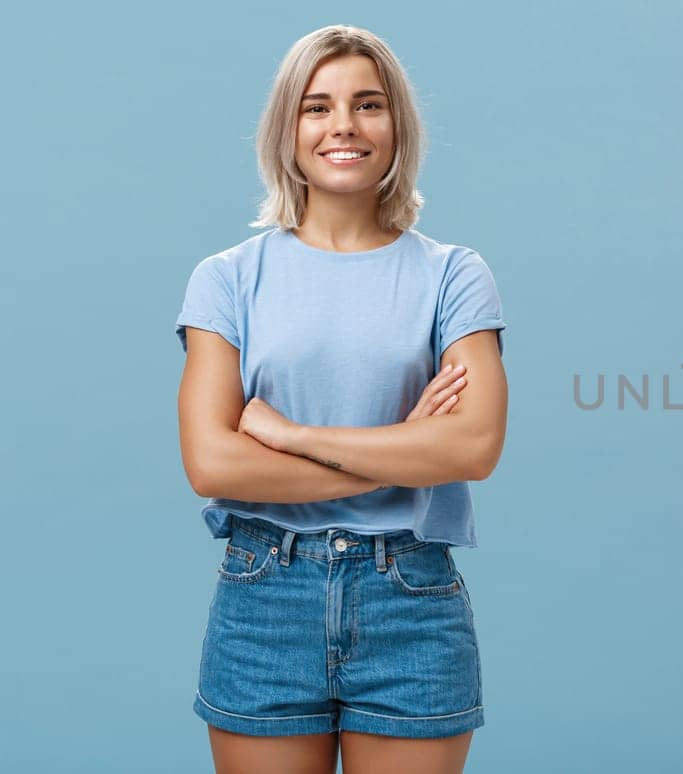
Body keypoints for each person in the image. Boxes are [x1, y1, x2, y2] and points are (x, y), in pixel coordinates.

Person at [174, 24, 508, 774]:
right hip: (265, 599)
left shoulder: (454, 275)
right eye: (317, 107)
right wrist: (401, 452)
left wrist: (286, 435)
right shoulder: (225, 279)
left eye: (368, 104)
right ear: (286, 128)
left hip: (410, 597)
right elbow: (213, 463)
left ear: (398, 126)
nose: (344, 127)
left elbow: (471, 446)